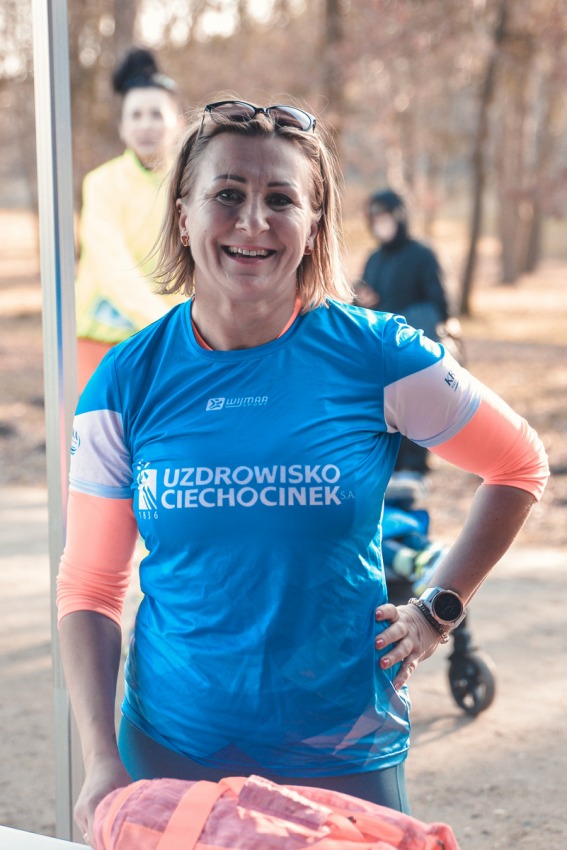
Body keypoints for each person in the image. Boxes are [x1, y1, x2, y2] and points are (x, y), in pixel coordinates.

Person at [56, 99, 549, 846]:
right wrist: (100, 759)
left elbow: (517, 463)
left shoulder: (376, 354)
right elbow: (91, 587)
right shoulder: (125, 380)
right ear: (183, 215)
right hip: (170, 751)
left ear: (314, 225)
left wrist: (437, 609)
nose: (253, 221)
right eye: (228, 194)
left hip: (342, 750)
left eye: (281, 199)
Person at [74, 47, 185, 393]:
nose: (146, 125)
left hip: (175, 344)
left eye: (156, 114)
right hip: (103, 341)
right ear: (122, 127)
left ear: (178, 122)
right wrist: (164, 323)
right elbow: (111, 265)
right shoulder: (101, 183)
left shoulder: (191, 186)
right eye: (135, 115)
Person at [356, 189, 452, 476]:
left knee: (414, 421)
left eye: (385, 216)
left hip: (413, 359)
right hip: (378, 361)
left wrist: (401, 323)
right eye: (374, 218)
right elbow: (360, 308)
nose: (380, 223)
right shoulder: (374, 258)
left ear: (399, 216)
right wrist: (361, 301)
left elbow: (440, 306)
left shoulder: (422, 255)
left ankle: (414, 470)